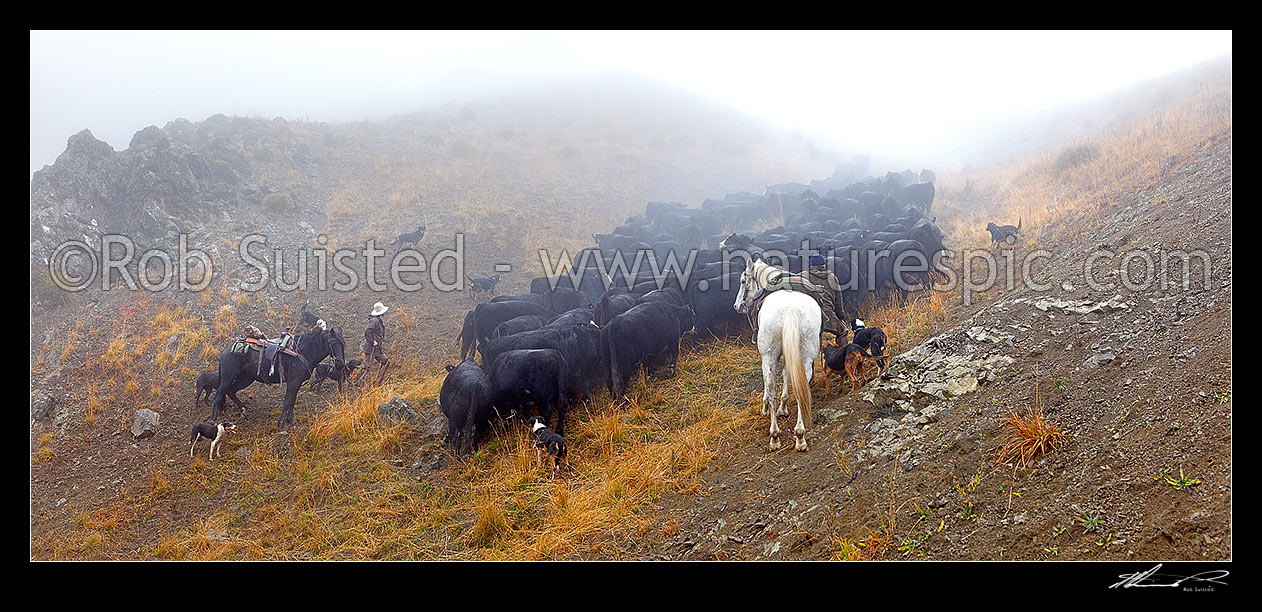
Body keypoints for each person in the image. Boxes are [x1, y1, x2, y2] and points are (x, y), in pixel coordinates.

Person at [804, 254, 845, 345]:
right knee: (843, 332)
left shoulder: (803, 276)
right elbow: (838, 302)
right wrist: (841, 317)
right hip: (828, 316)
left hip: (808, 316)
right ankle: (842, 353)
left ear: (811, 266)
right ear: (824, 265)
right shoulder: (832, 277)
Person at [360, 301, 391, 384]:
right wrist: (372, 341)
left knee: (386, 361)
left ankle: (379, 380)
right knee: (366, 368)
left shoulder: (378, 320)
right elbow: (367, 331)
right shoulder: (375, 320)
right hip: (371, 349)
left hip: (377, 349)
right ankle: (360, 385)